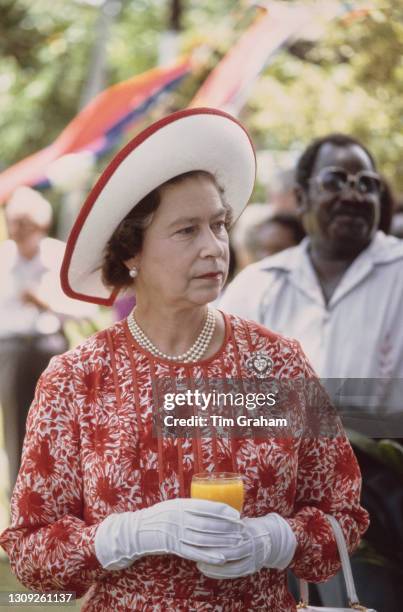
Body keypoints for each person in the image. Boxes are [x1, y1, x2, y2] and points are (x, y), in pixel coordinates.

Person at [0, 111, 368, 611]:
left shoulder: (276, 362)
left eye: (218, 225)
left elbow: (343, 518)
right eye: (186, 230)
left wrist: (273, 540)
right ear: (132, 251)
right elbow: (29, 555)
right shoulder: (75, 380)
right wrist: (123, 537)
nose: (214, 248)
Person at [220, 132, 403, 609]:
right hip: (269, 511)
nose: (353, 194)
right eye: (336, 180)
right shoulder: (258, 286)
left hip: (380, 507)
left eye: (367, 183)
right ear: (300, 196)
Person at [0, 187, 96, 491]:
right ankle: (21, 496)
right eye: (12, 222)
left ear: (40, 224)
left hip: (51, 347)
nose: (16, 230)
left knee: (58, 424)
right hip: (12, 351)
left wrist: (45, 302)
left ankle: (61, 488)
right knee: (16, 425)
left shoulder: (58, 256)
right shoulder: (3, 259)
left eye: (23, 223)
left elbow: (85, 310)